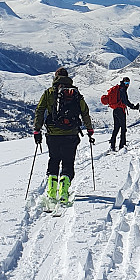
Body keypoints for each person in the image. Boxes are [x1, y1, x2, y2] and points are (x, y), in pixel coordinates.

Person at [33, 67, 94, 204]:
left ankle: (51, 191)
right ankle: (64, 191)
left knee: (54, 159)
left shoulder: (49, 93)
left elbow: (40, 110)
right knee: (68, 161)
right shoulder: (75, 93)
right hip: (71, 133)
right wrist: (89, 130)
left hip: (52, 134)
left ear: (55, 77)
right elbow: (85, 112)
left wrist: (37, 130)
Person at [109, 75, 139, 151]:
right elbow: (125, 101)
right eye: (126, 82)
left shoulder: (119, 88)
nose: (127, 84)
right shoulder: (123, 90)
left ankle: (112, 145)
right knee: (123, 128)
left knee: (116, 128)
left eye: (128, 82)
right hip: (120, 111)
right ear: (123, 82)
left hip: (115, 110)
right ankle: (122, 146)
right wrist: (133, 107)